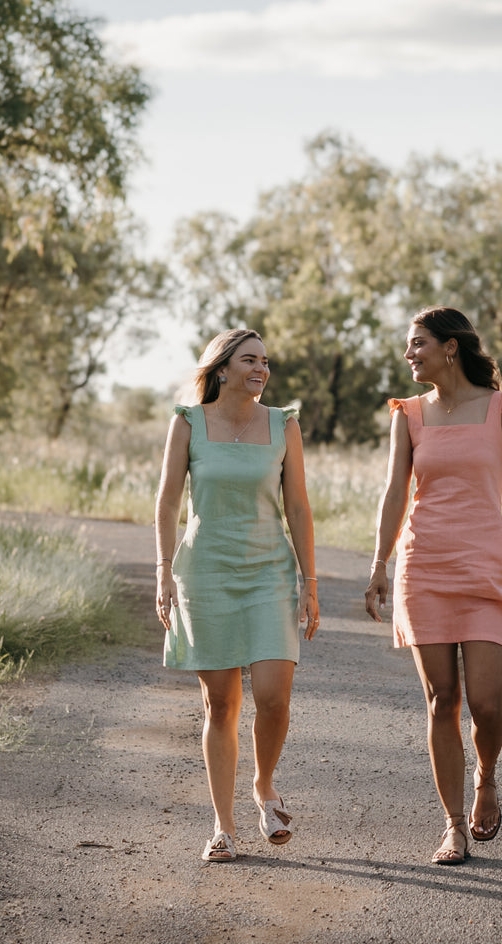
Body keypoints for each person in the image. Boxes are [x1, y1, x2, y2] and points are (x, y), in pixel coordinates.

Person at [365, 306, 502, 865]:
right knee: (443, 699)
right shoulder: (409, 414)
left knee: (487, 705)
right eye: (406, 345)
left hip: (483, 571)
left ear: (450, 347)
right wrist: (379, 564)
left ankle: (486, 777)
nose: (408, 354)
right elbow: (395, 493)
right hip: (425, 570)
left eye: (417, 343)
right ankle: (451, 826)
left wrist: (501, 548)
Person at [155, 328, 320, 863]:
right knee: (221, 703)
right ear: (221, 368)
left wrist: (309, 582)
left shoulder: (283, 424)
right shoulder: (187, 423)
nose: (262, 369)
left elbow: (298, 507)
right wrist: (162, 573)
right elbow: (167, 504)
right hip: (204, 574)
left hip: (269, 571)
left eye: (266, 362)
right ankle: (223, 828)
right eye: (250, 360)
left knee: (274, 696)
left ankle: (264, 787)